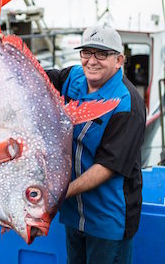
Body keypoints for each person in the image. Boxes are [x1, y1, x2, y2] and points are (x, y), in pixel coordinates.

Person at [46, 25, 146, 264]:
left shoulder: (126, 103)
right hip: (74, 215)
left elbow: (107, 166)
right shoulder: (74, 77)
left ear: (119, 60)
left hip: (108, 220)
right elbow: (43, 79)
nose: (92, 61)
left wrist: (58, 194)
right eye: (87, 52)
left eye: (101, 54)